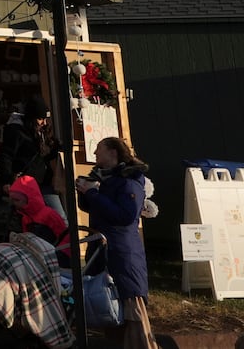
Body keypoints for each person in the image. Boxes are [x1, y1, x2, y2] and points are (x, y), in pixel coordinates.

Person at [77, 136, 157, 349]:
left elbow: (125, 216)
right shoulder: (106, 179)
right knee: (109, 313)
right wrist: (85, 192)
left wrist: (92, 192)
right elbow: (96, 208)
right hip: (104, 251)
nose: (94, 154)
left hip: (123, 255)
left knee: (133, 316)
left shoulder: (129, 181)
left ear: (113, 152)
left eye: (98, 149)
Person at [0, 95, 66, 219]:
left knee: (57, 219)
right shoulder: (16, 131)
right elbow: (6, 155)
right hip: (26, 183)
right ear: (31, 118)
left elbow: (45, 155)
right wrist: (7, 179)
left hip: (43, 181)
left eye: (45, 119)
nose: (44, 123)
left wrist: (58, 147)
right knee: (44, 218)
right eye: (40, 119)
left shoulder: (42, 132)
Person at [7, 174, 70, 267]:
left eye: (17, 200)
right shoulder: (25, 217)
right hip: (37, 257)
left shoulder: (49, 215)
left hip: (55, 258)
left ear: (29, 198)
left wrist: (58, 254)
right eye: (13, 200)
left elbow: (65, 236)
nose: (14, 203)